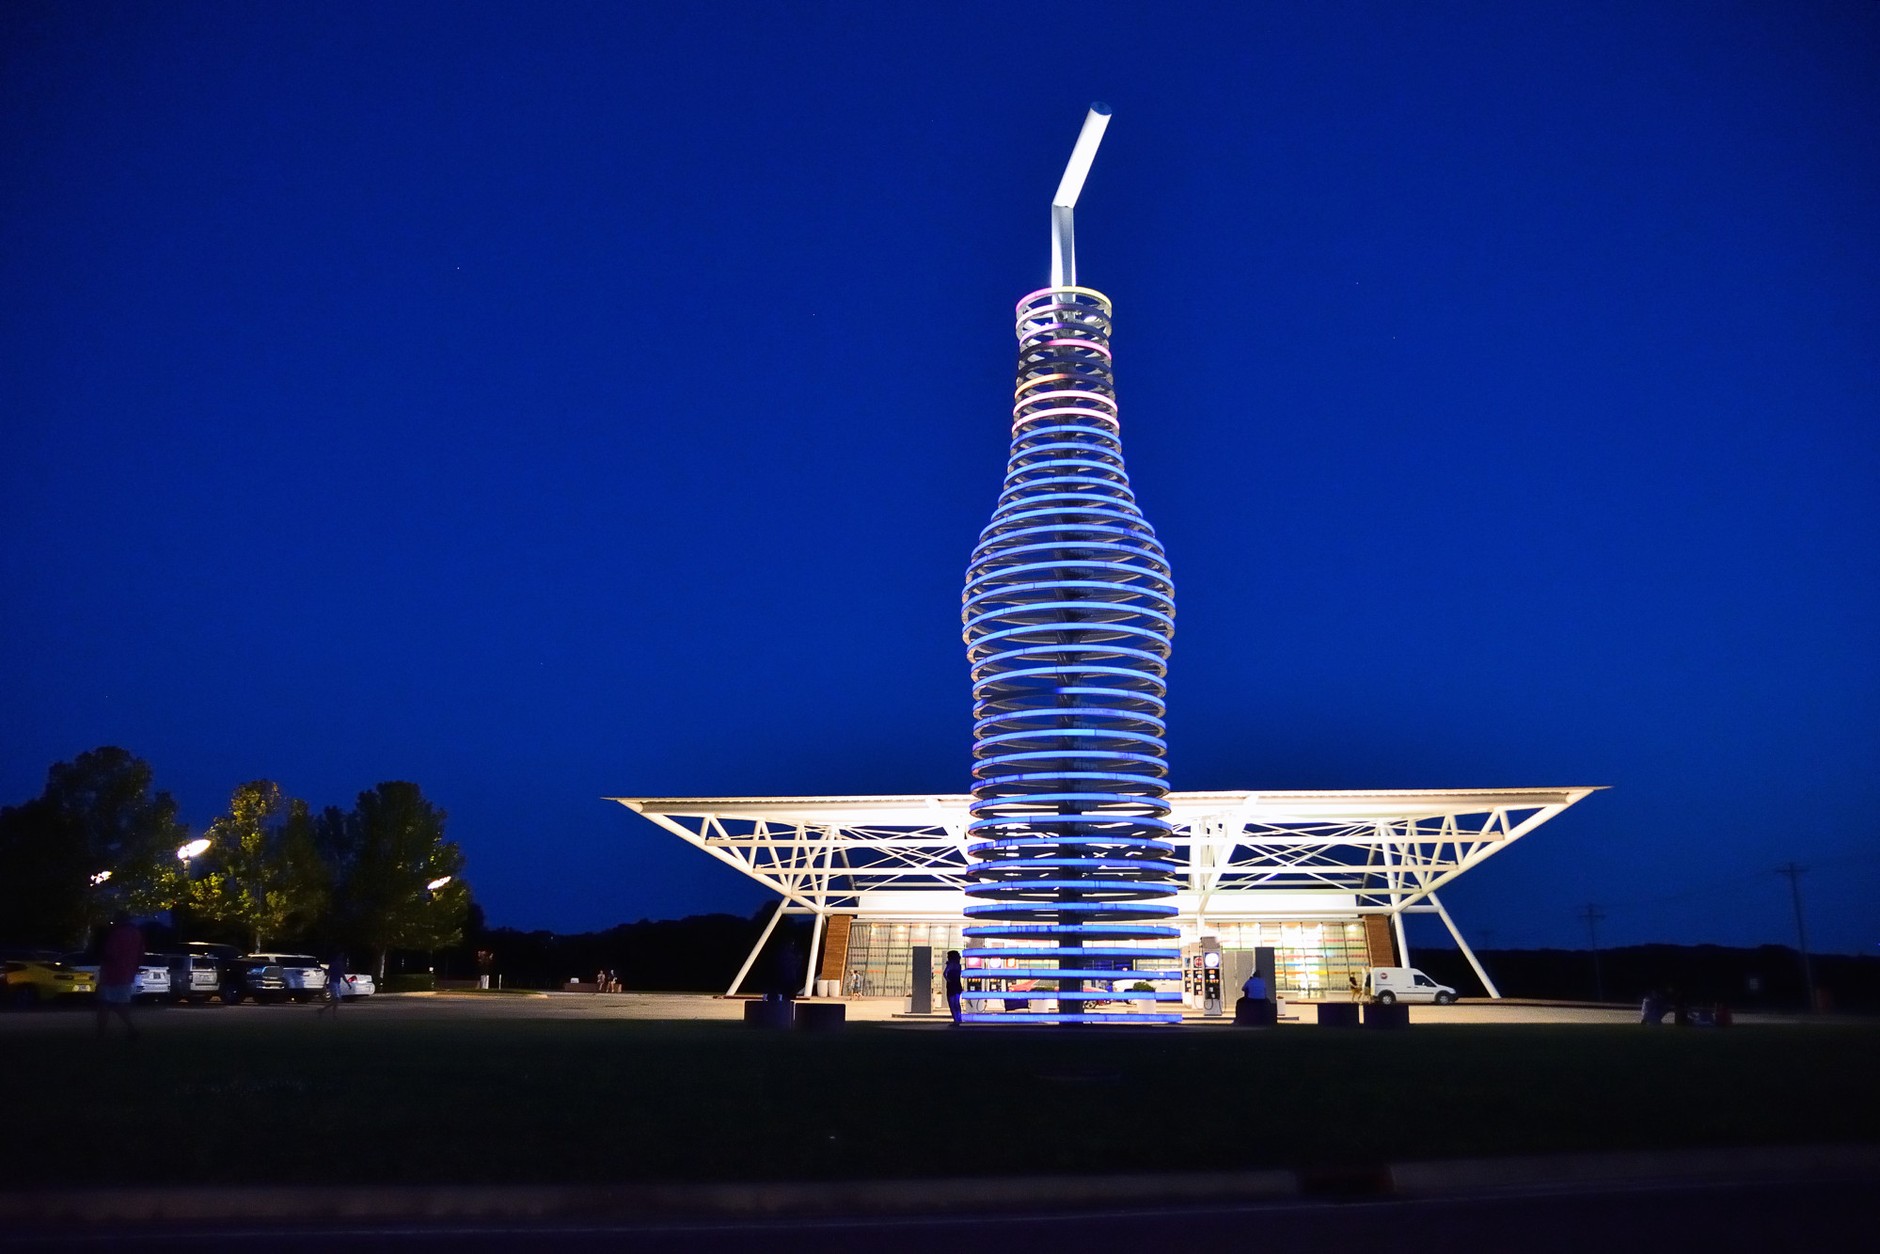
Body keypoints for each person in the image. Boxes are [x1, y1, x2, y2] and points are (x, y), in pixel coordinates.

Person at [95, 916, 143, 1040]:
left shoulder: (116, 934)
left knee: (104, 1004)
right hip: (126, 974)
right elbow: (140, 953)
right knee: (119, 1004)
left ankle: (101, 1033)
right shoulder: (136, 934)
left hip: (111, 974)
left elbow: (110, 954)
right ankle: (131, 1029)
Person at [318, 950, 348, 1017]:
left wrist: (347, 983)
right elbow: (331, 974)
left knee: (336, 1000)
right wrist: (325, 982)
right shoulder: (335, 964)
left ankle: (327, 1012)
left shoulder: (337, 964)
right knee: (336, 999)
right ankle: (324, 1010)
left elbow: (342, 974)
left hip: (336, 983)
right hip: (333, 983)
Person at [943, 950, 964, 1023]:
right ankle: (959, 1019)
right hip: (958, 985)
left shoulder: (950, 964)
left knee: (952, 1003)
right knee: (957, 1003)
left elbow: (945, 974)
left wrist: (948, 980)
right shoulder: (959, 965)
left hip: (951, 985)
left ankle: (955, 1019)